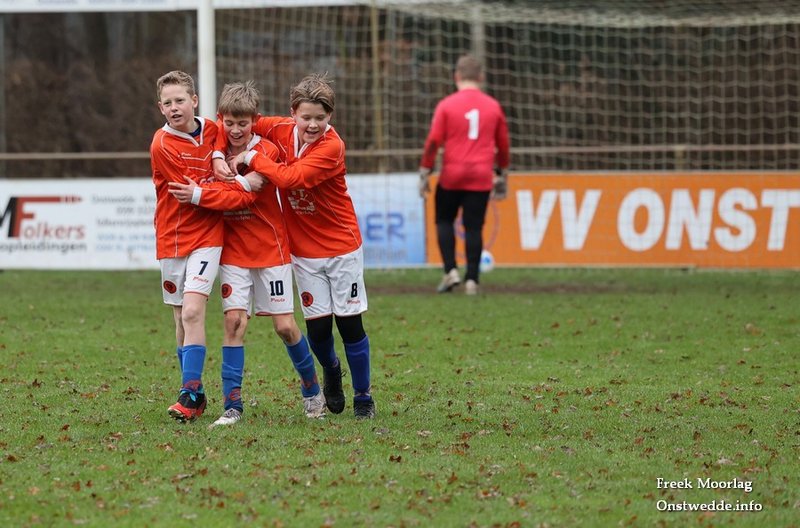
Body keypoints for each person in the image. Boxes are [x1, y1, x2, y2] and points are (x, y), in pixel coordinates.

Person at [212, 73, 376, 419]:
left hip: (341, 247)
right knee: (318, 328)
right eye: (306, 117)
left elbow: (292, 178)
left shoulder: (332, 147)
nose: (312, 125)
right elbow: (231, 122)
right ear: (293, 113)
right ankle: (331, 369)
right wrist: (216, 154)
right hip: (303, 250)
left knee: (349, 325)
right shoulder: (279, 128)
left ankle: (363, 397)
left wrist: (251, 158)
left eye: (321, 117)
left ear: (330, 116)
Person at [168, 81, 326, 424]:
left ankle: (312, 389)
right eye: (230, 123)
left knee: (285, 327)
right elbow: (216, 149)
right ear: (221, 119)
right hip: (234, 249)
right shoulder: (215, 144)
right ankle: (232, 405)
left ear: (255, 120)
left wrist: (202, 193)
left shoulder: (267, 151)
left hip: (270, 247)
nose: (236, 130)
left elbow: (245, 196)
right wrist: (217, 159)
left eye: (243, 123)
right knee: (234, 323)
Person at [150, 70, 223, 422]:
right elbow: (191, 191)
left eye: (180, 100)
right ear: (160, 108)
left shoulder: (215, 130)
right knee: (180, 316)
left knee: (193, 312)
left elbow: (207, 190)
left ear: (194, 100)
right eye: (168, 103)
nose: (174, 107)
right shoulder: (162, 144)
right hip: (172, 236)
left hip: (208, 235)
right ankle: (195, 390)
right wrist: (224, 184)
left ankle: (189, 394)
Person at [418, 54, 510, 295]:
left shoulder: (447, 105)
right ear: (481, 77)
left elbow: (433, 141)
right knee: (474, 228)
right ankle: (472, 280)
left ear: (456, 76)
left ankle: (451, 271)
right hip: (480, 176)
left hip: (452, 175)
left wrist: (425, 170)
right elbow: (503, 145)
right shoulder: (493, 106)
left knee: (444, 220)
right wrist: (501, 173)